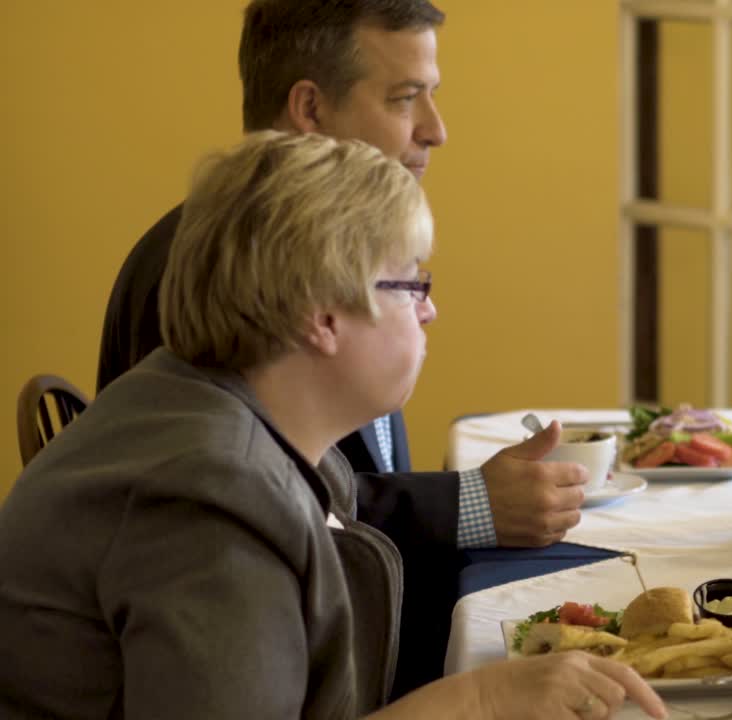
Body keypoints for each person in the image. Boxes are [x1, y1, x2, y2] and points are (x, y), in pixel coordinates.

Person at [0, 131, 664, 720]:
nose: (429, 311)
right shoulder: (210, 501)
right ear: (322, 317)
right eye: (410, 284)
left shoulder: (221, 412)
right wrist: (479, 698)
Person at [94, 0, 587, 691]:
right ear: (310, 109)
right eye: (404, 98)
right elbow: (265, 503)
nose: (435, 131)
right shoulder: (223, 267)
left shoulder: (331, 252)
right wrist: (474, 695)